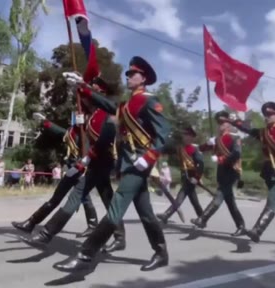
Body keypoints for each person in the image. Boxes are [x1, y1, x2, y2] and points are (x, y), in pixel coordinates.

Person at [54, 56, 170, 272]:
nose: (128, 77)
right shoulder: (127, 104)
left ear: (143, 78)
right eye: (127, 73)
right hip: (129, 164)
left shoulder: (149, 100)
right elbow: (106, 104)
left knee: (115, 208)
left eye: (132, 74)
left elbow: (164, 133)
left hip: (139, 163)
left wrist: (150, 157)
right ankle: (161, 252)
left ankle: (85, 254)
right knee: (146, 213)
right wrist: (83, 88)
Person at [24, 76, 126, 253]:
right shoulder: (92, 115)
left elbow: (105, 140)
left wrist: (87, 158)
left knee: (76, 195)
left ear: (100, 93)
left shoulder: (105, 113)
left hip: (102, 160)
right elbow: (74, 136)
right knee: (108, 198)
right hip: (95, 161)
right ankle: (120, 236)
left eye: (92, 90)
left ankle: (47, 233)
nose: (87, 96)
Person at [10, 104, 98, 237]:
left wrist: (83, 127)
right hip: (71, 169)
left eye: (81, 115)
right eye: (77, 115)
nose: (77, 117)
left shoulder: (88, 133)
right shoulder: (73, 131)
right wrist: (45, 122)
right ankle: (31, 223)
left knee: (84, 198)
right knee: (56, 199)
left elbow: (86, 145)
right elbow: (61, 132)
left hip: (81, 170)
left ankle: (93, 226)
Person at [225, 102, 275, 246]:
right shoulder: (263, 132)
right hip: (269, 172)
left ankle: (257, 230)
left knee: (272, 199)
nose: (266, 117)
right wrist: (234, 120)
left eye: (269, 115)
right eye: (265, 115)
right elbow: (247, 129)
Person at [190, 111, 246, 236]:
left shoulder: (234, 137)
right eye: (219, 123)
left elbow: (236, 154)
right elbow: (202, 148)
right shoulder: (216, 139)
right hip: (221, 173)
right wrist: (204, 144)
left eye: (223, 123)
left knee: (219, 195)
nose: (220, 125)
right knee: (230, 202)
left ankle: (202, 219)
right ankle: (241, 225)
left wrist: (221, 159)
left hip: (232, 171)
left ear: (229, 124)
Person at [156, 125, 204, 224]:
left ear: (192, 137)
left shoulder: (194, 149)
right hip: (185, 176)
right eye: (184, 134)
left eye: (187, 135)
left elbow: (201, 164)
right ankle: (203, 218)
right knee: (194, 201)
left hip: (191, 177)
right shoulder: (180, 147)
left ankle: (166, 214)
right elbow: (166, 149)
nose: (185, 137)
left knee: (180, 197)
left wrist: (196, 177)